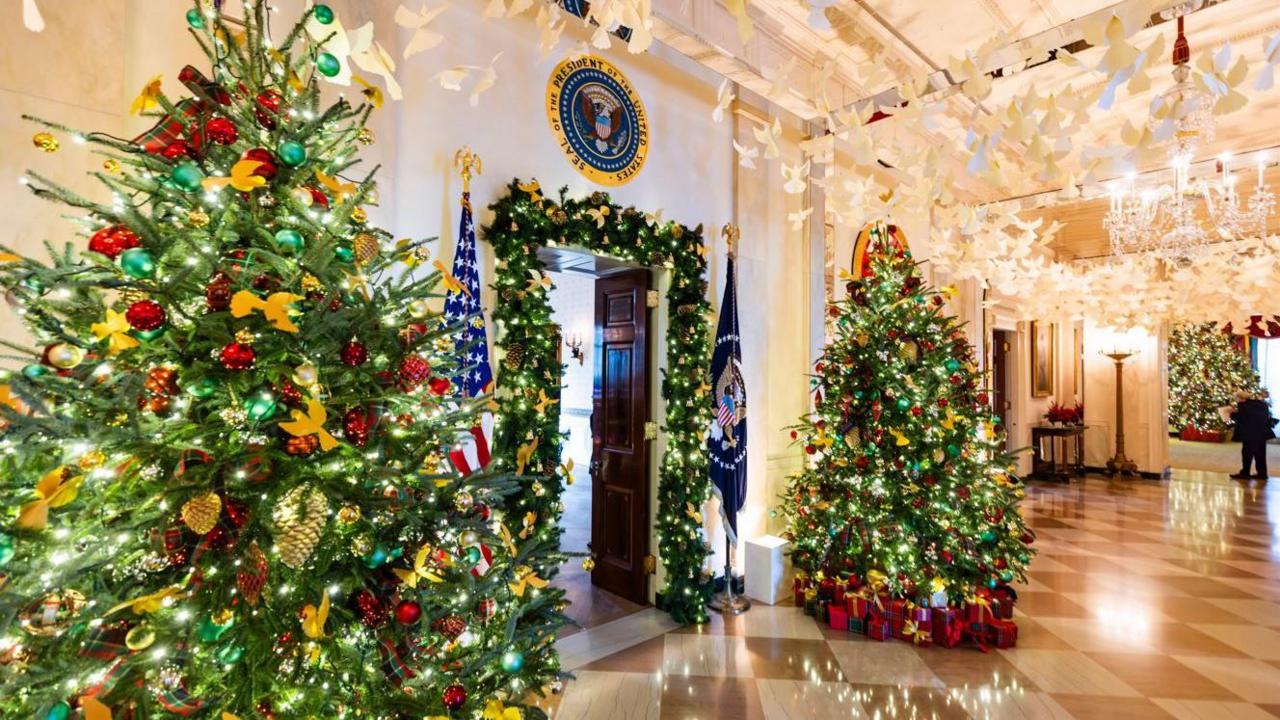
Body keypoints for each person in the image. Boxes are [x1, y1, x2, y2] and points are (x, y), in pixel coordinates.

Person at [1229, 390, 1274, 479]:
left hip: (1249, 434)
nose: (1236, 400)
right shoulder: (1262, 404)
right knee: (1260, 454)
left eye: (1236, 398)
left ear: (1241, 398)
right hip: (1262, 433)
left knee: (1247, 454)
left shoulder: (1243, 406)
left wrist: (1231, 414)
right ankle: (1262, 474)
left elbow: (1239, 418)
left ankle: (1245, 473)